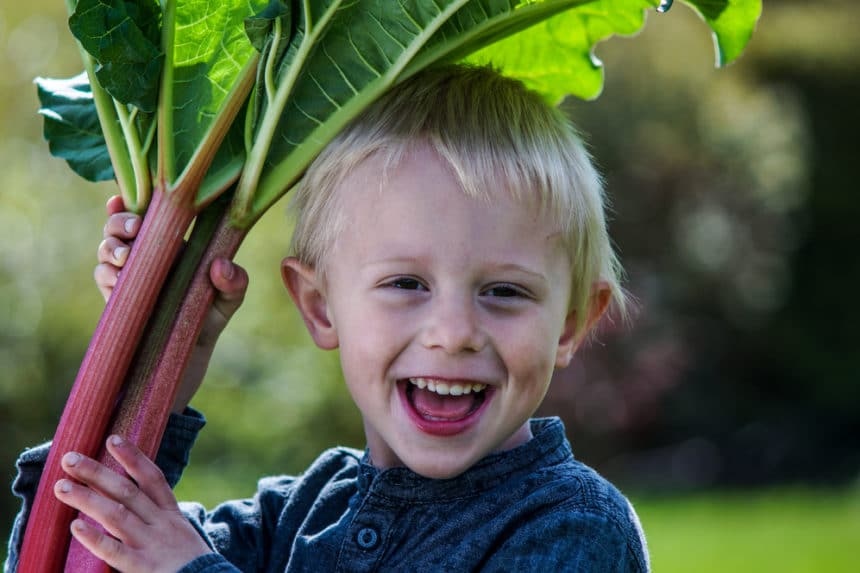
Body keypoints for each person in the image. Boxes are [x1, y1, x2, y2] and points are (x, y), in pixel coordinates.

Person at [6, 64, 649, 572]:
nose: (453, 333)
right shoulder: (293, 518)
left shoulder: (574, 528)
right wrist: (162, 360)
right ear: (319, 306)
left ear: (570, 322)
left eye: (504, 292)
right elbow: (67, 558)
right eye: (406, 283)